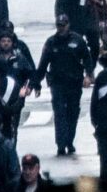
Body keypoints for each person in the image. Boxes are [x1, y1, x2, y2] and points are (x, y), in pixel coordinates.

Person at [33, 14, 95, 158]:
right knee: (60, 113)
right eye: (59, 26)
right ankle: (61, 144)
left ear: (68, 25)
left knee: (73, 113)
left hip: (74, 82)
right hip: (57, 83)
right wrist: (36, 84)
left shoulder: (78, 40)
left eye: (64, 25)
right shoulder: (51, 42)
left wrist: (89, 75)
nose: (61, 28)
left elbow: (87, 58)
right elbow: (43, 64)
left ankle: (70, 141)